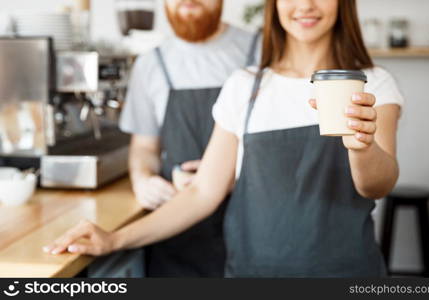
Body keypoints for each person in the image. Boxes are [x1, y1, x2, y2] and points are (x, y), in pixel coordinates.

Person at [45, 0, 404, 277]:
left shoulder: (372, 82)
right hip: (251, 274)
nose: (305, 5)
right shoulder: (245, 85)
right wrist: (113, 239)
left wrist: (362, 146)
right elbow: (203, 192)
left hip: (344, 273)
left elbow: (377, 184)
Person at [117, 0, 259, 277]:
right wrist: (143, 178)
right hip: (177, 237)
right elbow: (145, 146)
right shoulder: (151, 64)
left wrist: (223, 177)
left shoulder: (262, 50)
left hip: (254, 230)